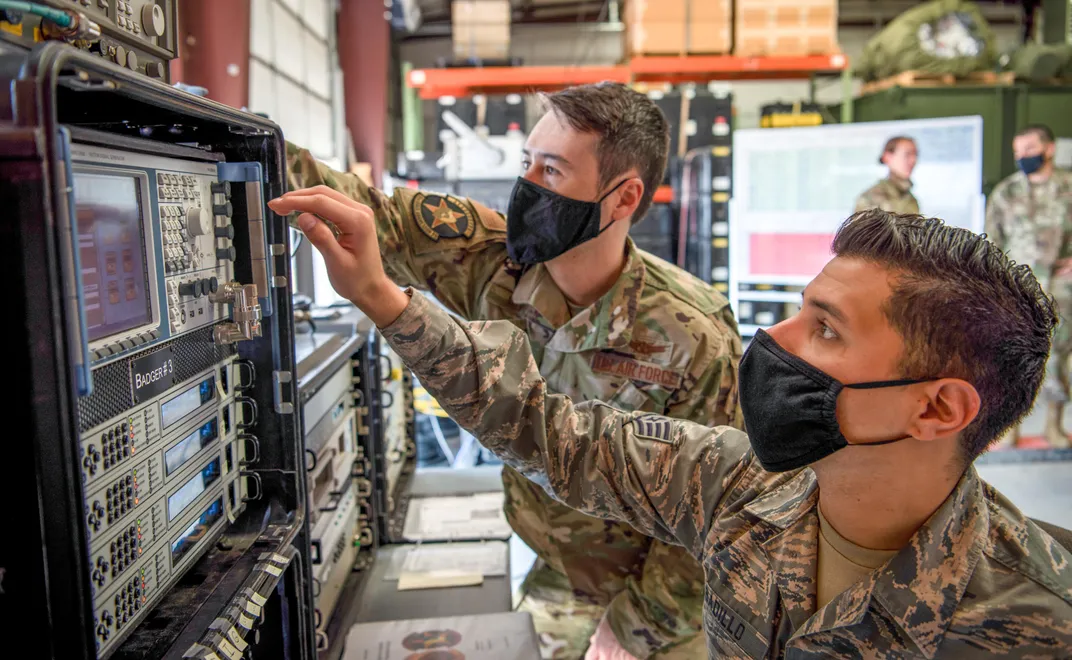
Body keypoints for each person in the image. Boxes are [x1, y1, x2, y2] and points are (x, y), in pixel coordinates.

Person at [273, 196, 1072, 657]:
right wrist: (382, 296)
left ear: (937, 408)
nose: (775, 343)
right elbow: (546, 426)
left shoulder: (1035, 620)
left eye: (825, 330)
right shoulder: (736, 483)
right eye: (801, 311)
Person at [283, 82, 742, 660]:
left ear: (624, 198)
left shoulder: (694, 334)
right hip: (551, 576)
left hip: (656, 606)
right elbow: (362, 210)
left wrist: (635, 628)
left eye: (552, 171)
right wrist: (235, 141)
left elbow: (719, 512)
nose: (527, 187)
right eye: (527, 163)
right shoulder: (495, 262)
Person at [985, 124, 1072, 449]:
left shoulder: (1069, 185)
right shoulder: (1006, 193)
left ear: (1048, 149)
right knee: (1015, 360)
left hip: (1063, 292)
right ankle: (1010, 428)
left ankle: (1053, 425)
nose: (1023, 156)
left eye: (1029, 149)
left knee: (1059, 359)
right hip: (1018, 293)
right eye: (1018, 151)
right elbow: (991, 242)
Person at [854, 136, 920, 214]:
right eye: (907, 154)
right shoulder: (871, 198)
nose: (913, 160)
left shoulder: (911, 199)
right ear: (887, 157)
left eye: (915, 154)